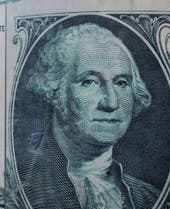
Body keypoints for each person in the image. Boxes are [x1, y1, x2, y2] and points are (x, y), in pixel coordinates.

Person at [20, 22, 159, 209]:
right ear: (54, 90)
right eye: (89, 82)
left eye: (121, 83)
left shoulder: (149, 197)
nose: (111, 103)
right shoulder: (19, 188)